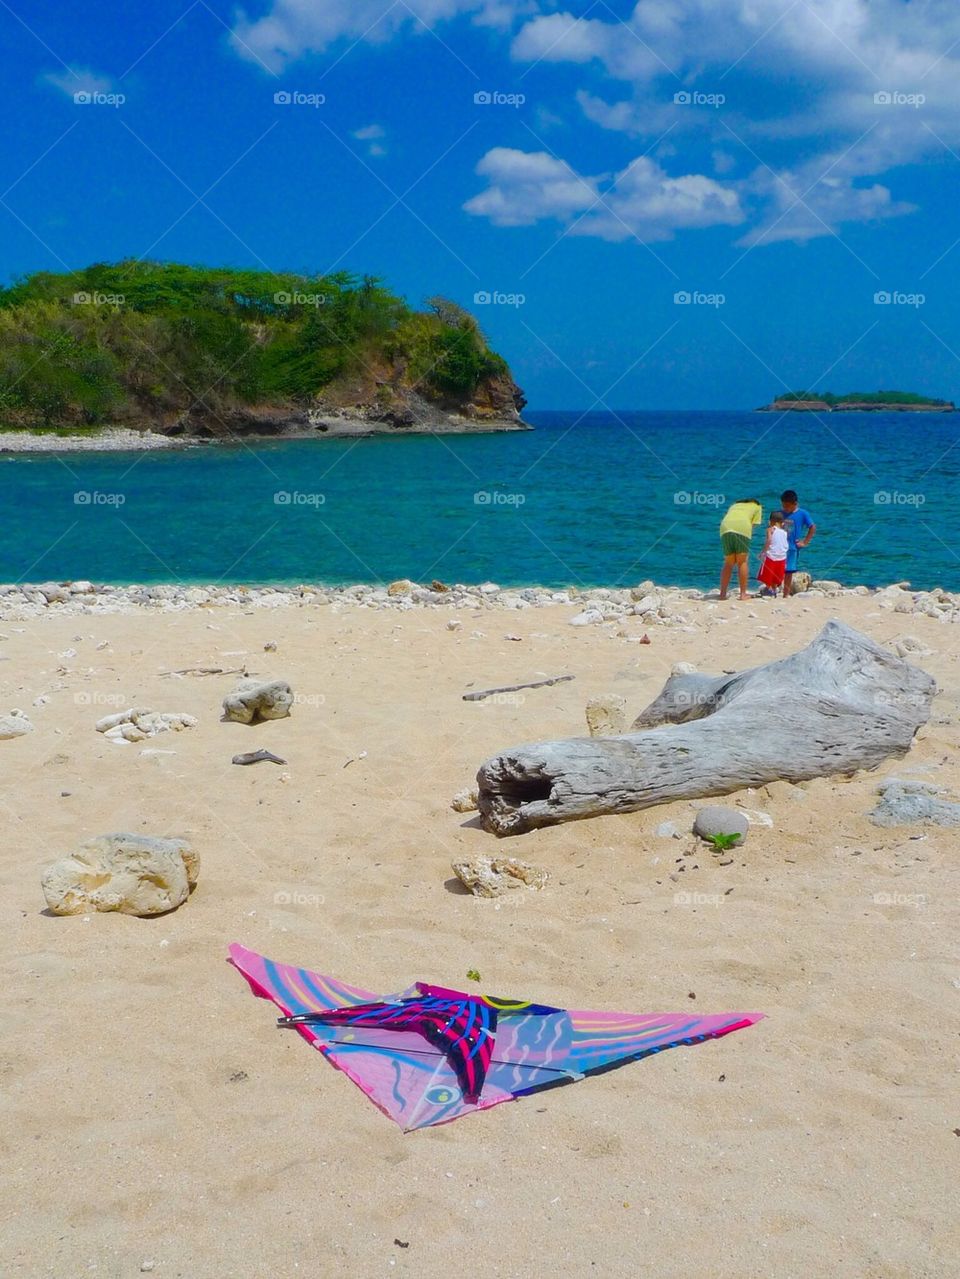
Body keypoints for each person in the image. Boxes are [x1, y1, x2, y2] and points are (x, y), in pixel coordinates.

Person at [718, 497, 762, 600]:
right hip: (742, 527)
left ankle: (722, 594)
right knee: (742, 561)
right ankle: (743, 594)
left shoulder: (734, 505)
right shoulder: (757, 506)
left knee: (729, 562)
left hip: (725, 527)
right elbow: (753, 524)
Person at [776, 489, 816, 597]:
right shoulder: (780, 514)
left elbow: (812, 527)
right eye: (784, 505)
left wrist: (805, 542)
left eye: (788, 506)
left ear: (795, 504)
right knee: (776, 568)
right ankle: (773, 590)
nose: (785, 508)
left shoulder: (802, 514)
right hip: (779, 546)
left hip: (792, 547)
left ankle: (785, 594)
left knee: (789, 571)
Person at [756, 511, 789, 596]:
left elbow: (769, 540)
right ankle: (774, 590)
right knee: (776, 575)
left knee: (766, 574)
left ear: (772, 521)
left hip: (771, 556)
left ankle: (769, 589)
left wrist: (763, 552)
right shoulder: (785, 532)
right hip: (782, 557)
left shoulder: (770, 529)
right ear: (781, 523)